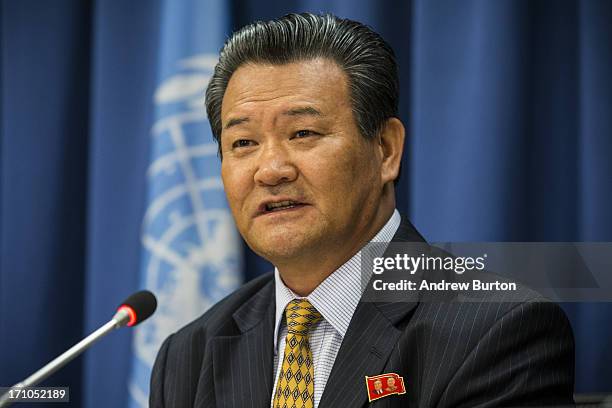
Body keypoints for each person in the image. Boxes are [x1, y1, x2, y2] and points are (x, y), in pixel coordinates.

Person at [150, 13, 575, 408]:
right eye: (243, 143)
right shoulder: (189, 354)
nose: (271, 170)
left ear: (386, 150)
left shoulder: (497, 330)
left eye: (303, 133)